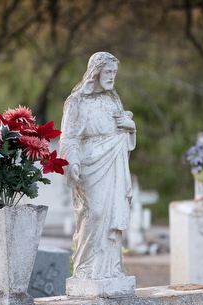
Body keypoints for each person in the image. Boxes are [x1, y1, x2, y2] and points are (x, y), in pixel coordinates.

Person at [59, 52, 136, 280]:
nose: (112, 77)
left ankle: (111, 268)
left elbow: (122, 129)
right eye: (108, 72)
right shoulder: (76, 102)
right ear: (96, 72)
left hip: (113, 162)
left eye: (114, 72)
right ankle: (85, 268)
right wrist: (72, 162)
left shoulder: (113, 99)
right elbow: (69, 137)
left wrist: (130, 126)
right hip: (90, 164)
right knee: (94, 213)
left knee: (112, 216)